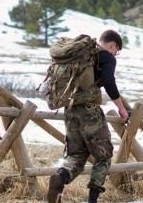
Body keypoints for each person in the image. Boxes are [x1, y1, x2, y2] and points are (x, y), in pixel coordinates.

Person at [47, 30, 129, 203]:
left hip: (69, 109)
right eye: (117, 51)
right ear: (112, 45)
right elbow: (108, 81)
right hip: (89, 110)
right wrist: (121, 108)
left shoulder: (81, 55)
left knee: (75, 155)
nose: (115, 54)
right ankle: (92, 200)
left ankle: (60, 177)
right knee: (104, 155)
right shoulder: (106, 56)